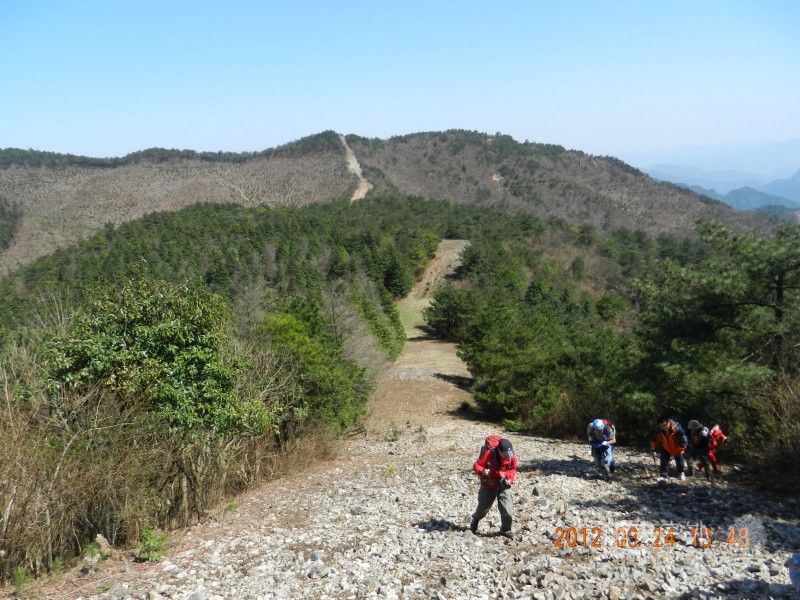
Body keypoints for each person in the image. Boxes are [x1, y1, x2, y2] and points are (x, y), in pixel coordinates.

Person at [470, 435, 518, 539]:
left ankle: (506, 530)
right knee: (483, 508)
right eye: (504, 454)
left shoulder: (511, 456)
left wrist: (509, 479)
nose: (507, 456)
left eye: (508, 454)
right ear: (499, 451)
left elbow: (513, 469)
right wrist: (483, 471)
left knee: (508, 510)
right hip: (489, 484)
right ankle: (475, 519)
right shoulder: (488, 454)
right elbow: (476, 465)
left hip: (503, 485)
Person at [650, 418, 689, 482]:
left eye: (664, 425)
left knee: (679, 461)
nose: (663, 427)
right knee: (663, 461)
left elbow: (684, 440)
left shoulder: (676, 428)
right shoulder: (659, 430)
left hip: (676, 447)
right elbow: (654, 439)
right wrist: (652, 447)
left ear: (668, 422)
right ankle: (663, 476)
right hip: (666, 447)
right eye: (661, 426)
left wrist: (681, 450)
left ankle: (681, 473)